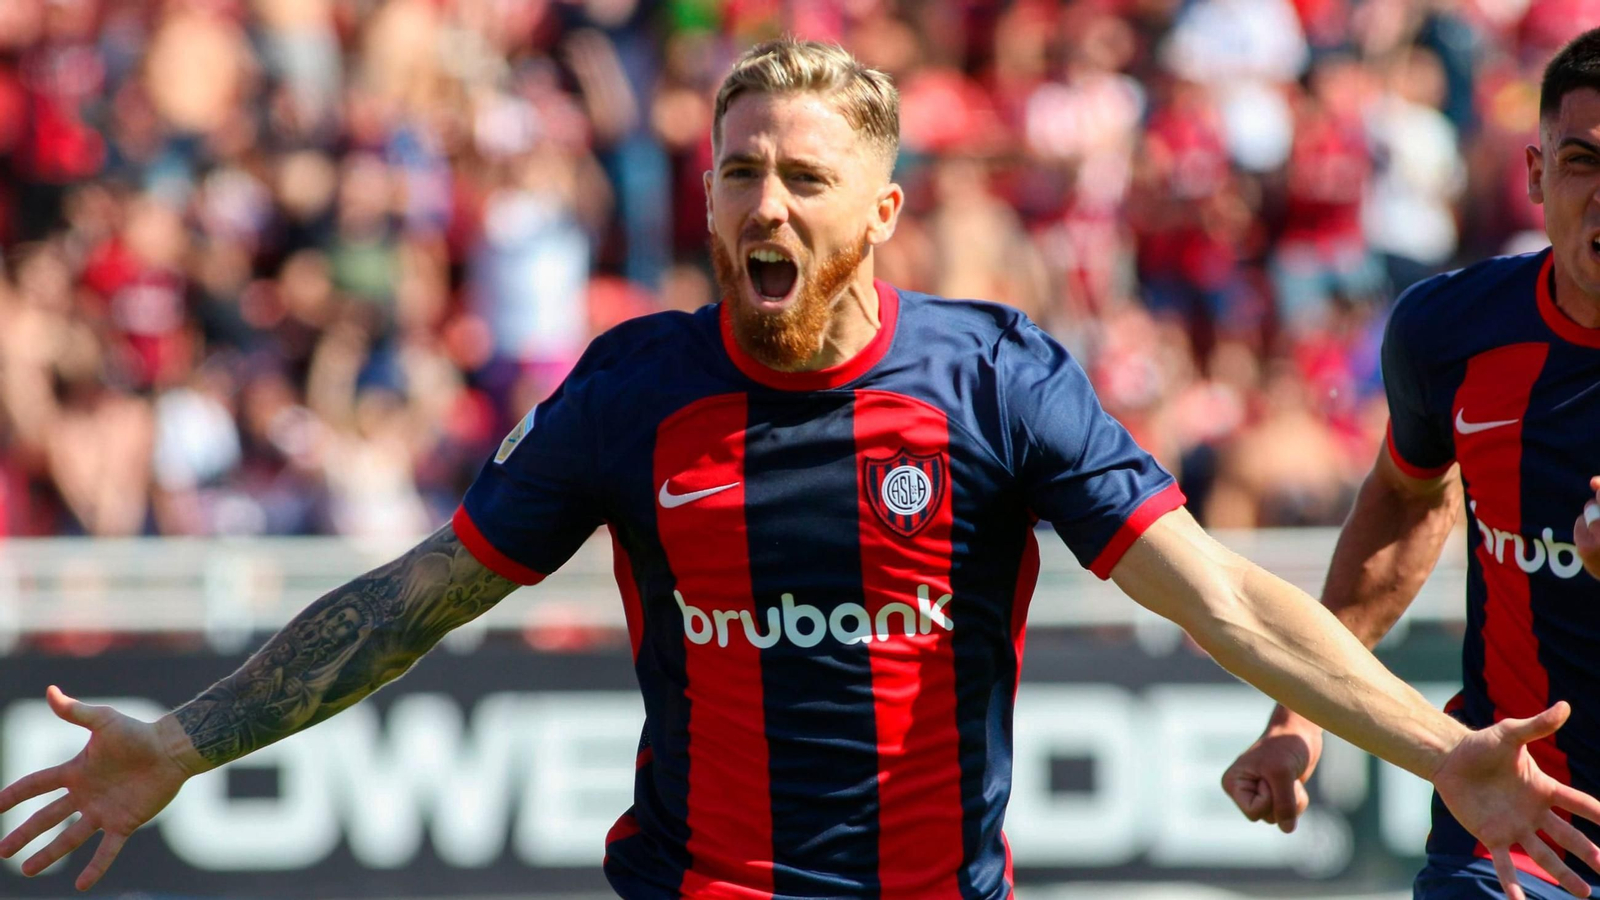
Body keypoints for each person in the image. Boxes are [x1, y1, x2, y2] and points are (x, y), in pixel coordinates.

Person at [2, 39, 1599, 900]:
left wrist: (1429, 750)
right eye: (741, 171)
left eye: (806, 179)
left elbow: (1226, 602)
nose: (766, 205)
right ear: (706, 198)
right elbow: (417, 597)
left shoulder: (993, 379)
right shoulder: (634, 391)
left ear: (881, 214)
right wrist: (190, 741)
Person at [1220, 27, 1600, 900]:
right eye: (1583, 162)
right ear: (1538, 176)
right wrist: (1302, 712)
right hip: (1516, 826)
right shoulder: (1451, 333)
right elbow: (1404, 507)